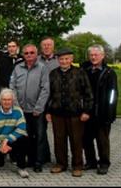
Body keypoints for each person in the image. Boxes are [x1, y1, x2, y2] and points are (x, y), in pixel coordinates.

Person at [45, 48, 93, 177]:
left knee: (76, 140)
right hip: (57, 112)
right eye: (61, 59)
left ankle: (77, 166)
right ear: (58, 60)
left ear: (71, 59)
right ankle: (61, 164)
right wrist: (48, 111)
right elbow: (49, 94)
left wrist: (86, 111)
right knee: (59, 139)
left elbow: (88, 93)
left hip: (75, 113)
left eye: (66, 59)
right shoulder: (53, 74)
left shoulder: (80, 73)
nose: (64, 61)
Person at [10, 44, 49, 173]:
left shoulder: (42, 68)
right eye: (26, 53)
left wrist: (39, 108)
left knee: (39, 136)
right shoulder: (18, 68)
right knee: (25, 136)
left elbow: (45, 88)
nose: (29, 55)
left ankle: (38, 162)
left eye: (32, 53)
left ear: (36, 54)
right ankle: (28, 160)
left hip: (37, 110)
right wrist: (17, 106)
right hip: (21, 109)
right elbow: (12, 86)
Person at [80, 44, 118, 175]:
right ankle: (90, 161)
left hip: (101, 113)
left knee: (102, 140)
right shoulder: (85, 70)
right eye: (91, 55)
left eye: (96, 55)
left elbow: (112, 95)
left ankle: (104, 163)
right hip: (87, 112)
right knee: (86, 139)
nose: (93, 57)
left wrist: (110, 113)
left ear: (103, 56)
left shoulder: (108, 73)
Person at [0, 88, 30, 178]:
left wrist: (7, 140)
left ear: (13, 101)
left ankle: (21, 167)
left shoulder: (18, 111)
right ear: (0, 101)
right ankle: (1, 161)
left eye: (9, 99)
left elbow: (21, 129)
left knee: (25, 140)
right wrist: (0, 145)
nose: (7, 102)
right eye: (4, 100)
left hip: (13, 140)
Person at [36, 36, 58, 165]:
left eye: (49, 45)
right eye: (44, 45)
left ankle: (62, 159)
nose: (46, 47)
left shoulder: (58, 61)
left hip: (55, 100)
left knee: (59, 133)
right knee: (40, 131)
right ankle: (44, 156)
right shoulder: (37, 60)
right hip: (40, 100)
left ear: (53, 46)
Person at [0, 37, 24, 106]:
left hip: (18, 93)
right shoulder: (1, 57)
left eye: (13, 46)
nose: (11, 49)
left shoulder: (23, 60)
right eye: (9, 46)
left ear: (17, 47)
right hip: (2, 92)